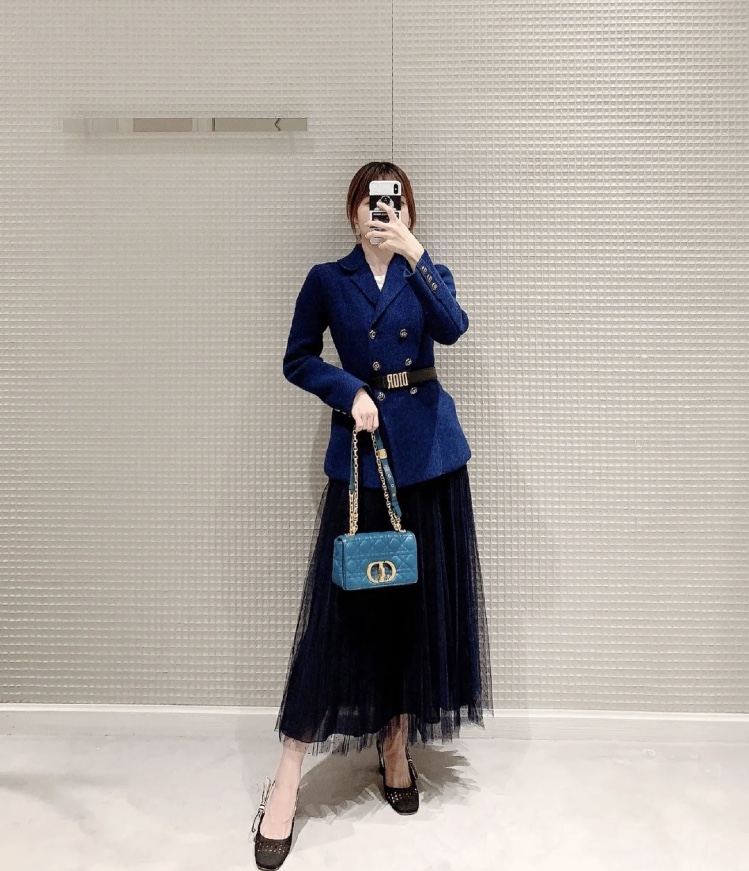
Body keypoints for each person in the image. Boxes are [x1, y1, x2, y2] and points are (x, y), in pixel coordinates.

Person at [251, 161, 493, 870]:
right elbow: (298, 358)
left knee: (416, 610)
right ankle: (286, 780)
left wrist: (416, 253)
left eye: (393, 201)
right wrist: (348, 389)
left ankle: (395, 746)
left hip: (431, 460)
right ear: (352, 210)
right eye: (369, 199)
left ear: (408, 210)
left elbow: (453, 328)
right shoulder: (329, 279)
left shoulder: (427, 271)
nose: (380, 210)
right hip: (363, 459)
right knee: (340, 618)